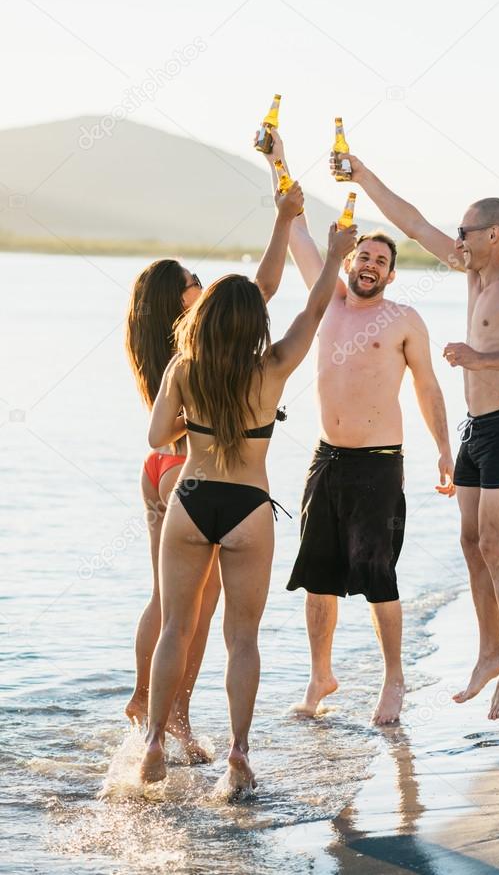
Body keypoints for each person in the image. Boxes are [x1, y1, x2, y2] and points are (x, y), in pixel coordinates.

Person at [336, 151, 499, 721]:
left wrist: (479, 358)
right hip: (477, 429)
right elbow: (412, 224)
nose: (456, 239)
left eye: (465, 231)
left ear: (494, 234)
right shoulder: (473, 271)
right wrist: (363, 175)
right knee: (469, 540)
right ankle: (489, 649)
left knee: (494, 544)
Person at [139, 214, 357, 793]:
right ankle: (237, 752)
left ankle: (155, 742)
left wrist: (195, 417)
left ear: (203, 318)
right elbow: (314, 312)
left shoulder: (183, 367)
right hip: (247, 506)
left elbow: (159, 438)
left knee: (175, 630)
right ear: (255, 322)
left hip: (189, 498)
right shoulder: (273, 367)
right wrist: (335, 255)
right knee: (242, 639)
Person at [257, 129, 455, 727]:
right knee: (317, 576)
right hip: (327, 460)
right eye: (362, 257)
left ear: (392, 274)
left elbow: (427, 387)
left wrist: (445, 452)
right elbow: (292, 225)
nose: (369, 265)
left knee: (377, 577)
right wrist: (278, 160)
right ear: (350, 262)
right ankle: (322, 675)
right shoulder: (330, 301)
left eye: (380, 260)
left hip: (378, 463)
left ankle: (394, 680)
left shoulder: (403, 319)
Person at [124, 191, 300, 757]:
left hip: (158, 466)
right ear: (181, 296)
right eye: (193, 277)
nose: (201, 282)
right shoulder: (204, 330)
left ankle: (144, 699)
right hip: (195, 467)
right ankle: (177, 716)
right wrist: (283, 220)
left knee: (167, 600)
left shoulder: (161, 337)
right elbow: (263, 290)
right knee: (200, 612)